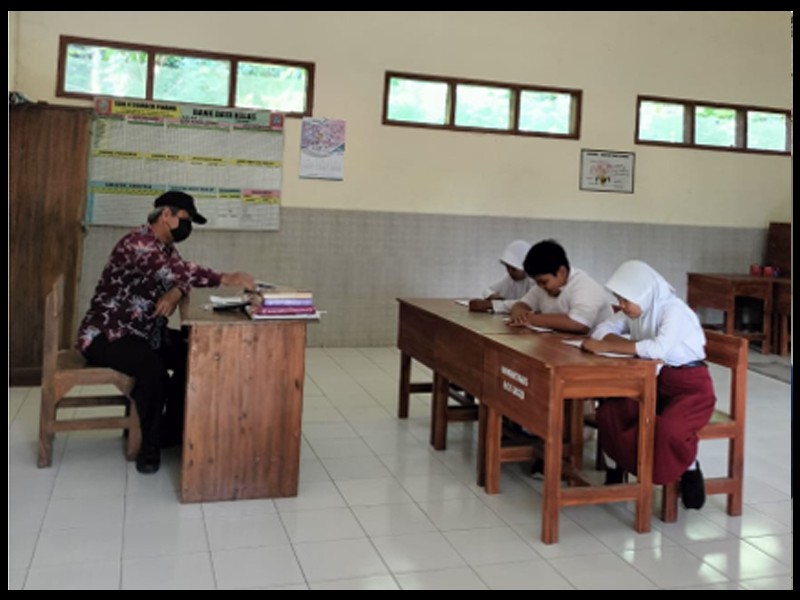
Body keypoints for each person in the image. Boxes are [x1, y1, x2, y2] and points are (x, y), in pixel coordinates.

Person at [76, 191, 255, 475]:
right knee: (153, 369)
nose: (187, 226)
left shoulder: (166, 248)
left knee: (194, 354)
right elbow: (178, 272)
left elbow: (179, 277)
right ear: (166, 215)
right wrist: (224, 278)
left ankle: (168, 429)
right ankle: (149, 447)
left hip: (145, 331)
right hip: (108, 333)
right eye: (185, 218)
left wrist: (174, 292)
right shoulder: (139, 244)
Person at [581, 259, 714, 509]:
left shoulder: (673, 310)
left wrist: (608, 345)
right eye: (619, 299)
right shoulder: (638, 310)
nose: (621, 305)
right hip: (653, 383)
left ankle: (689, 466)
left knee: (667, 429)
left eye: (625, 300)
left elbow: (657, 349)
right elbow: (602, 328)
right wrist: (609, 340)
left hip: (691, 388)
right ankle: (616, 468)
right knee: (611, 413)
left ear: (643, 293)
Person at [506, 239, 613, 333]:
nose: (540, 287)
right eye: (537, 282)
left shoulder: (584, 285)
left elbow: (579, 324)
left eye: (544, 282)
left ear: (562, 272)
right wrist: (519, 313)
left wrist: (531, 319)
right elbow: (522, 304)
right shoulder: (541, 287)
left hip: (596, 346)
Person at [468, 240, 533, 314]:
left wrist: (491, 304)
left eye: (514, 269)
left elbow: (527, 303)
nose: (509, 272)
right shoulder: (510, 280)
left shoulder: (534, 281)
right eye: (507, 267)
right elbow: (488, 290)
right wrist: (493, 296)